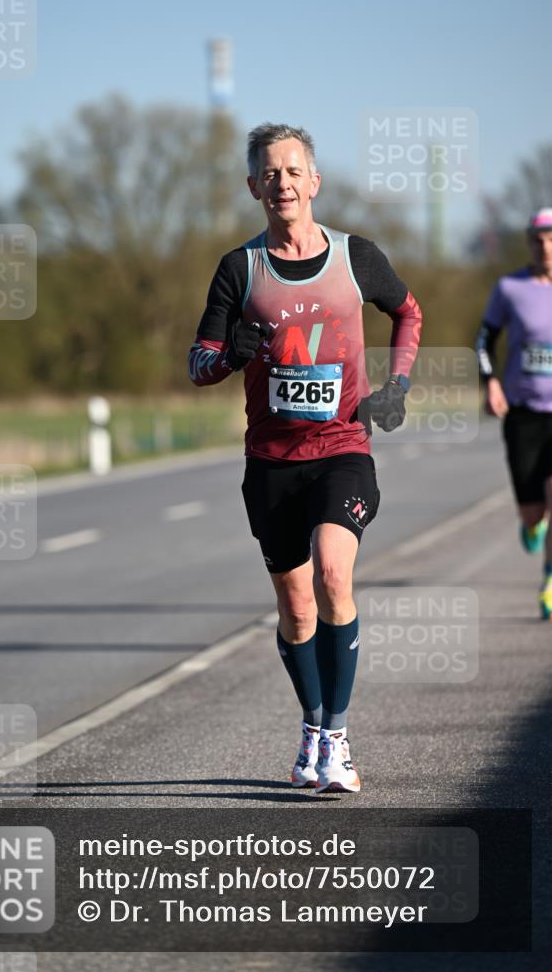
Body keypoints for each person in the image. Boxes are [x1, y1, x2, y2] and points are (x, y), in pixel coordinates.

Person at [188, 124, 422, 792]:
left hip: (342, 449)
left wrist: (396, 384)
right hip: (269, 463)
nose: (281, 183)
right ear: (253, 187)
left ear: (313, 182)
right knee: (295, 611)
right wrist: (231, 351)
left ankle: (339, 740)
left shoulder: (356, 258)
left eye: (293, 171)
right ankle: (314, 727)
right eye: (269, 173)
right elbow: (197, 364)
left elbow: (407, 313)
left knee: (333, 576)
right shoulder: (240, 269)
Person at [476, 208, 552, 619]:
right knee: (533, 507)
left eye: (551, 238)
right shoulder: (510, 288)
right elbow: (484, 338)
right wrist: (490, 382)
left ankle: (549, 580)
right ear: (529, 243)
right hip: (523, 414)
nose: (545, 246)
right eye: (538, 239)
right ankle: (531, 524)